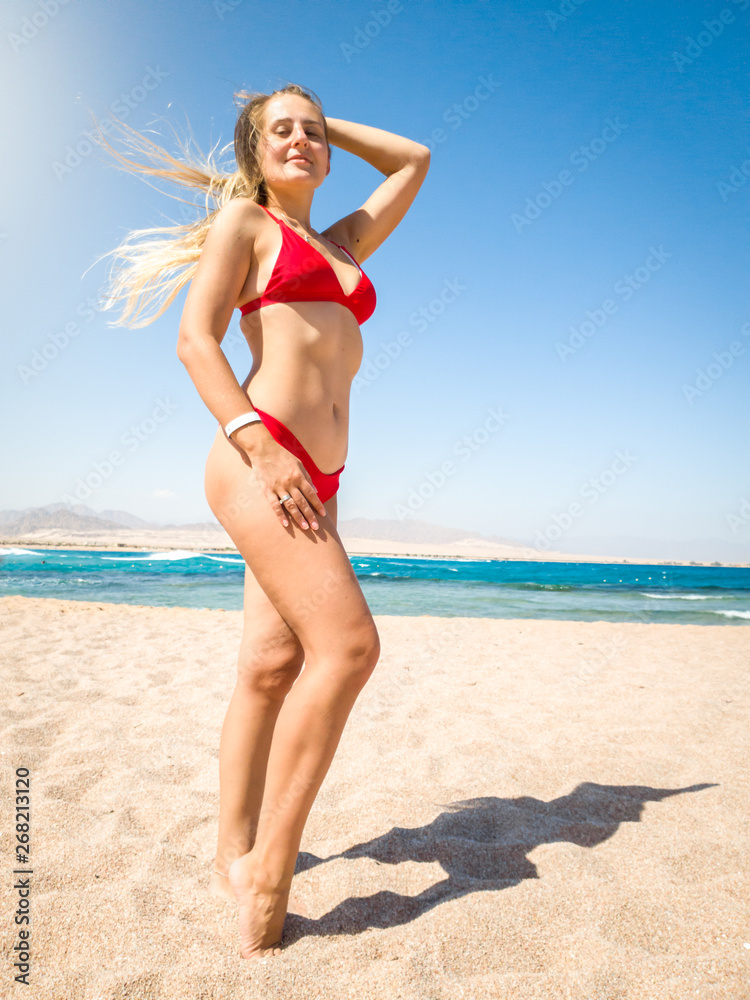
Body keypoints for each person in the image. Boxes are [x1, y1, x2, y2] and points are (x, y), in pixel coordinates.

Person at [94, 83, 429, 959]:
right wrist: (259, 444)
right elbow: (195, 341)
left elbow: (414, 161)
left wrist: (325, 117)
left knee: (269, 665)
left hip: (320, 474)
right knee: (351, 648)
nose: (302, 142)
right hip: (262, 457)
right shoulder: (249, 226)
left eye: (313, 133)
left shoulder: (340, 241)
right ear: (252, 153)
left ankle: (230, 851)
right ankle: (269, 870)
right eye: (280, 132)